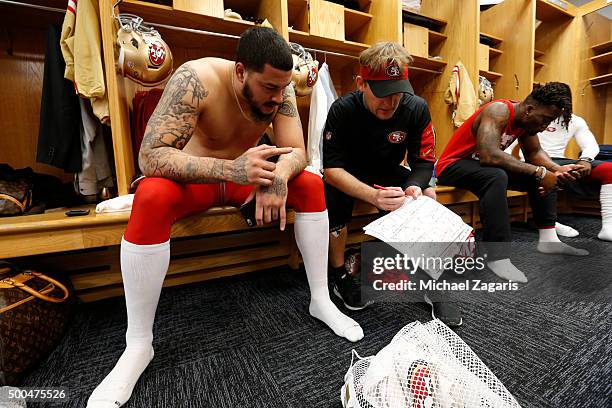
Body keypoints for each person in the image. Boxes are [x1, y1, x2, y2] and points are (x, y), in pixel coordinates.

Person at [87, 27, 364, 408]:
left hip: (246, 178)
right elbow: (150, 156)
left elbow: (298, 151)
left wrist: (278, 177)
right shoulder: (196, 78)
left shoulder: (279, 90)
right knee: (150, 194)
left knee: (311, 185)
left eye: (283, 89)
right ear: (239, 72)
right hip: (197, 179)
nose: (278, 97)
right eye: (268, 87)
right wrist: (229, 170)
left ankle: (320, 299)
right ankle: (138, 344)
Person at [322, 42, 462, 327]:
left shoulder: (416, 108)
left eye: (396, 92)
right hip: (349, 173)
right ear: (362, 83)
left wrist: (414, 187)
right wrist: (372, 195)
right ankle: (339, 273)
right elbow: (331, 169)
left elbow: (423, 162)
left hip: (389, 172)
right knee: (332, 195)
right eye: (381, 93)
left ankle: (432, 280)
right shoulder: (342, 110)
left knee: (424, 200)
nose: (389, 102)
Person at [436, 82, 589, 284]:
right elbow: (489, 155)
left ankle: (549, 239)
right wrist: (541, 171)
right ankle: (498, 257)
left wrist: (555, 169)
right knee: (497, 175)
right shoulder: (498, 110)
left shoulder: (526, 122)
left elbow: (534, 153)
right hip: (452, 165)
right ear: (529, 109)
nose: (544, 127)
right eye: (544, 120)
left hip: (481, 168)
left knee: (535, 175)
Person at [508, 113, 612, 240]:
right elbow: (508, 146)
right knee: (546, 173)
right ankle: (549, 223)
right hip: (530, 162)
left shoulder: (575, 121)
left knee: (609, 169)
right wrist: (510, 165)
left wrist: (585, 160)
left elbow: (590, 145)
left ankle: (608, 228)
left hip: (560, 161)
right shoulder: (529, 116)